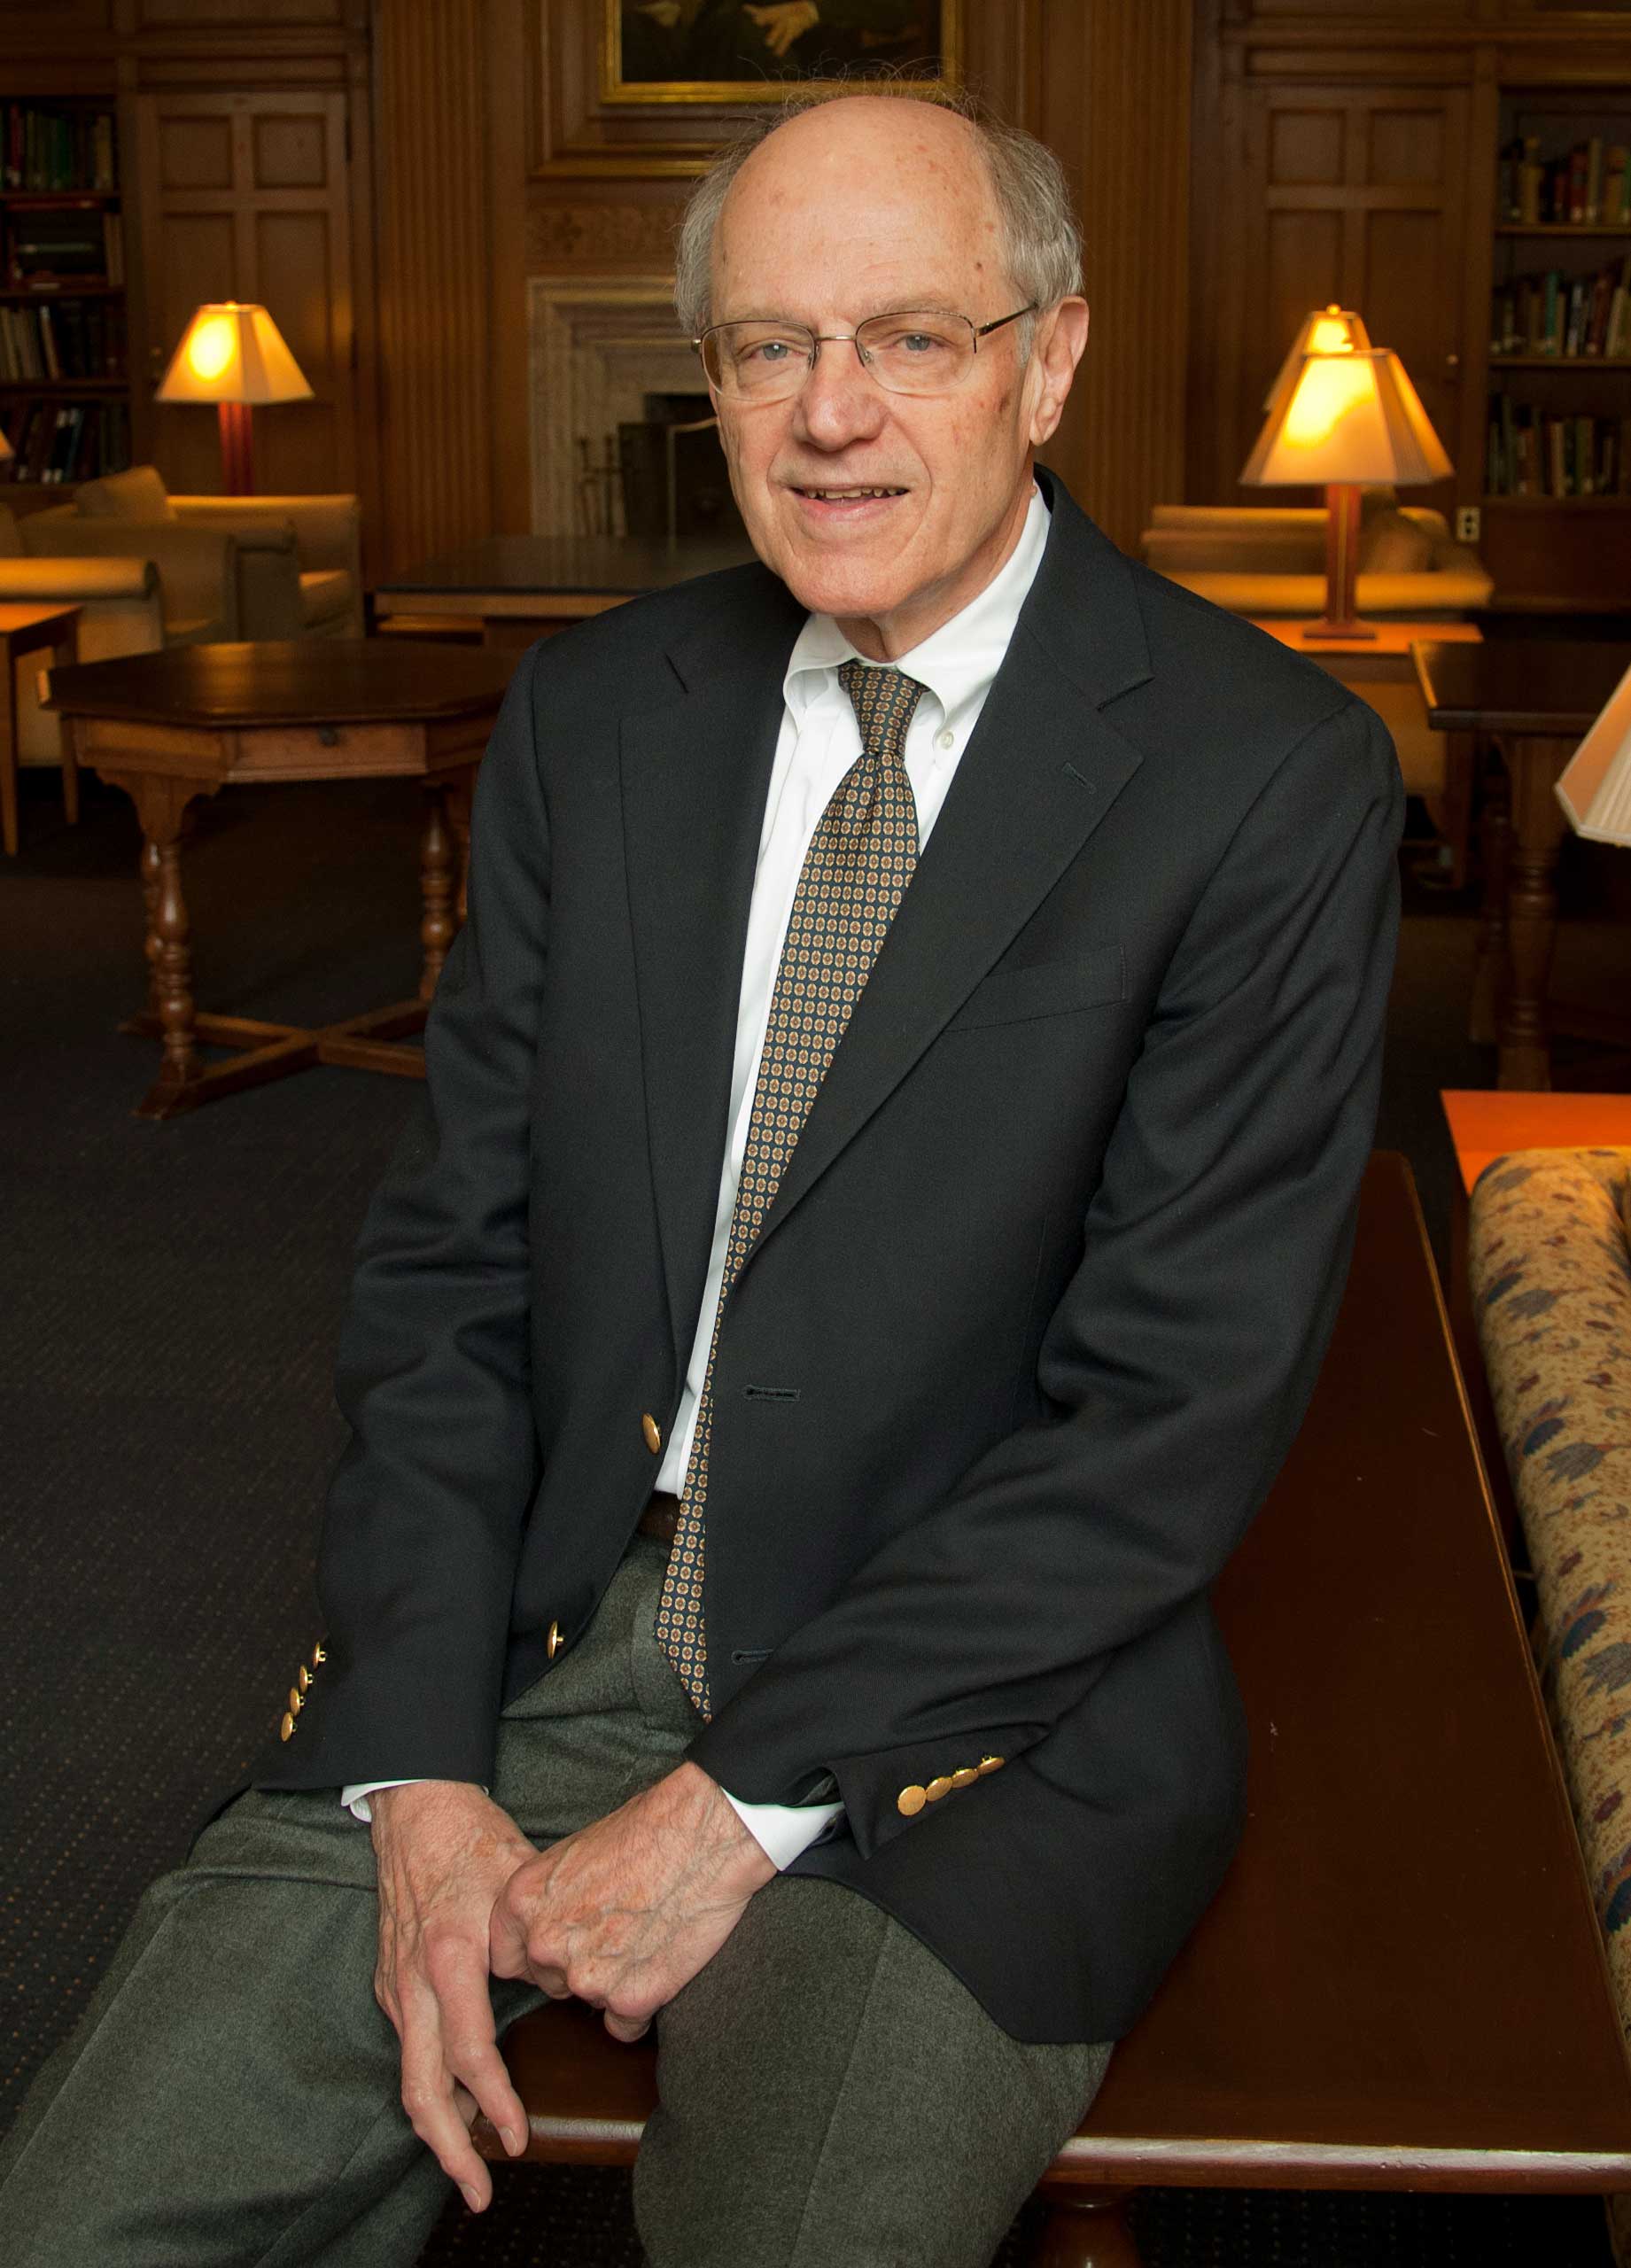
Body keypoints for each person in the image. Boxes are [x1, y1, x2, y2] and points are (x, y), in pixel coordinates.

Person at [0, 86, 1402, 2268]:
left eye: (911, 339)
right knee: (79, 2216)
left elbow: (1168, 1421)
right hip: (541, 1641)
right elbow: (448, 1275)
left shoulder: (1265, 781)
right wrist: (419, 1764)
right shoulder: (596, 718)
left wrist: (739, 1803)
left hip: (969, 1728)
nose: (829, 414)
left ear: (1051, 358)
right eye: (767, 348)